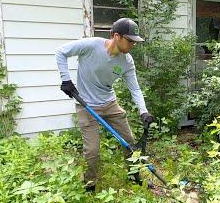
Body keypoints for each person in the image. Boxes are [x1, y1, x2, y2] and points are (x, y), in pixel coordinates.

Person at [55, 17, 154, 192]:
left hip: (110, 104)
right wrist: (66, 80)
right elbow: (61, 51)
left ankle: (133, 174)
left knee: (129, 142)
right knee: (92, 151)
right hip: (86, 105)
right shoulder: (92, 45)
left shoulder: (127, 61)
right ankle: (90, 184)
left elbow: (135, 89)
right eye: (130, 41)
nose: (133, 45)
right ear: (117, 36)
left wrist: (143, 111)